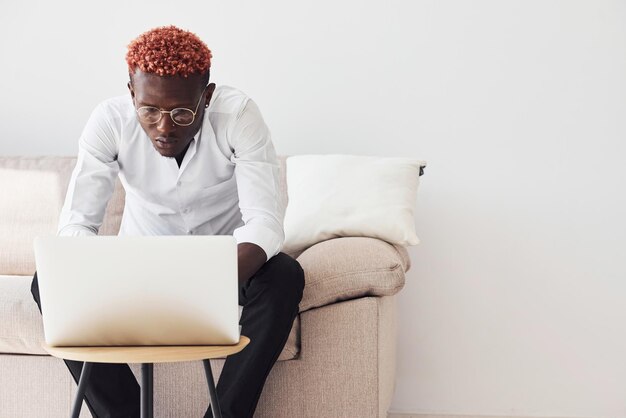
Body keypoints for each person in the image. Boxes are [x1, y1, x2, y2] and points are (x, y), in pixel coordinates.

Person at [29, 25, 305, 418]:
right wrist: (81, 272)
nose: (164, 127)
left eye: (181, 112)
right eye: (149, 110)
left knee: (285, 275)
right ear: (131, 94)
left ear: (206, 98)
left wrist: (206, 280)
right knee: (48, 281)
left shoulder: (238, 115)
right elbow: (77, 224)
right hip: (137, 269)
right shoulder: (109, 121)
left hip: (225, 269)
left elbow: (264, 222)